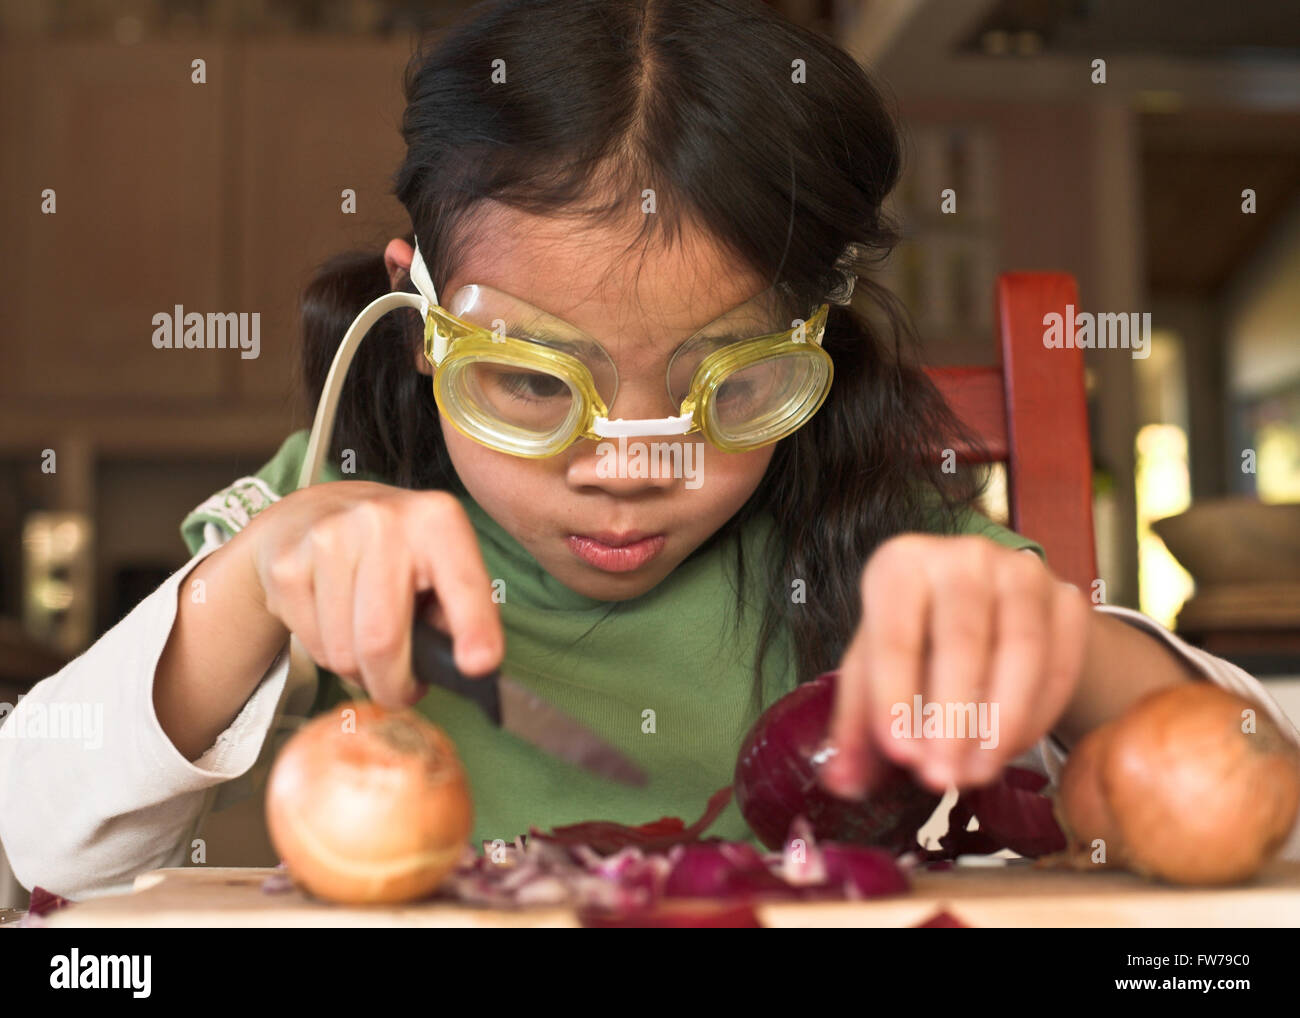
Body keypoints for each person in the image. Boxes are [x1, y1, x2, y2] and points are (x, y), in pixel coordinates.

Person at [2, 0, 1296, 902]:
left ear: (813, 349)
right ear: (418, 325)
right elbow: (33, 834)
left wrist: (1063, 647)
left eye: (728, 386)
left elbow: (1250, 783)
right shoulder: (338, 512)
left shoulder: (881, 529)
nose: (627, 464)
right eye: (527, 379)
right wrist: (245, 582)